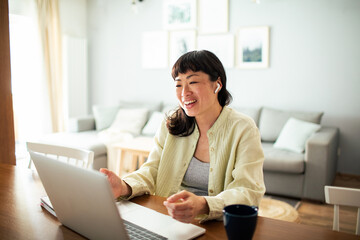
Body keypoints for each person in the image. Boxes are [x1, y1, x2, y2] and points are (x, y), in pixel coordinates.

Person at [100, 50, 265, 223]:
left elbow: (248, 190)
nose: (184, 92)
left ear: (217, 84)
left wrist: (203, 204)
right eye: (178, 84)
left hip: (219, 225)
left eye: (193, 82)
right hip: (168, 219)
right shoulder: (171, 123)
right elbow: (153, 170)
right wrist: (124, 186)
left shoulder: (243, 128)